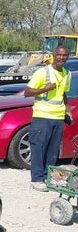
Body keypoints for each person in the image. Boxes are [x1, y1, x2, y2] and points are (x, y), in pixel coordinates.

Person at [24, 45, 73, 190]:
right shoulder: (43, 72)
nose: (61, 58)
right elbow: (27, 92)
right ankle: (37, 179)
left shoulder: (67, 74)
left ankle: (47, 178)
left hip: (58, 117)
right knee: (39, 148)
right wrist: (45, 89)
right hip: (42, 116)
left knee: (52, 150)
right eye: (59, 54)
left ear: (67, 57)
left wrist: (68, 110)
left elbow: (63, 94)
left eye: (64, 55)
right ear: (53, 55)